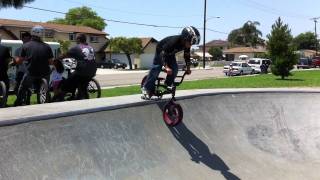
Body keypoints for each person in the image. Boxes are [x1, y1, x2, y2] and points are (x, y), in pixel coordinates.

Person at [142, 26, 201, 97]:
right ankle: (146, 88)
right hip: (161, 51)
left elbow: (187, 57)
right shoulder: (173, 42)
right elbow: (162, 54)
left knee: (175, 69)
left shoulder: (186, 46)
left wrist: (188, 68)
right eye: (190, 43)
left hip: (170, 54)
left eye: (192, 44)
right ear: (184, 38)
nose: (190, 45)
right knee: (157, 68)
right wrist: (166, 67)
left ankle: (168, 83)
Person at [14, 25, 53, 106]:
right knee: (45, 88)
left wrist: (15, 61)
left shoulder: (26, 45)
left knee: (23, 87)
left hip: (31, 72)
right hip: (45, 72)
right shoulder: (47, 46)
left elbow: (19, 61)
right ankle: (47, 99)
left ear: (32, 33)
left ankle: (18, 102)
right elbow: (50, 62)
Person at [56, 33, 97, 101]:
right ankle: (77, 95)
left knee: (68, 81)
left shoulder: (76, 47)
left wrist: (57, 58)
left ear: (78, 39)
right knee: (81, 84)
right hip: (93, 71)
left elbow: (64, 55)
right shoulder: (91, 48)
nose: (75, 40)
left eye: (76, 39)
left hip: (82, 72)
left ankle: (62, 95)